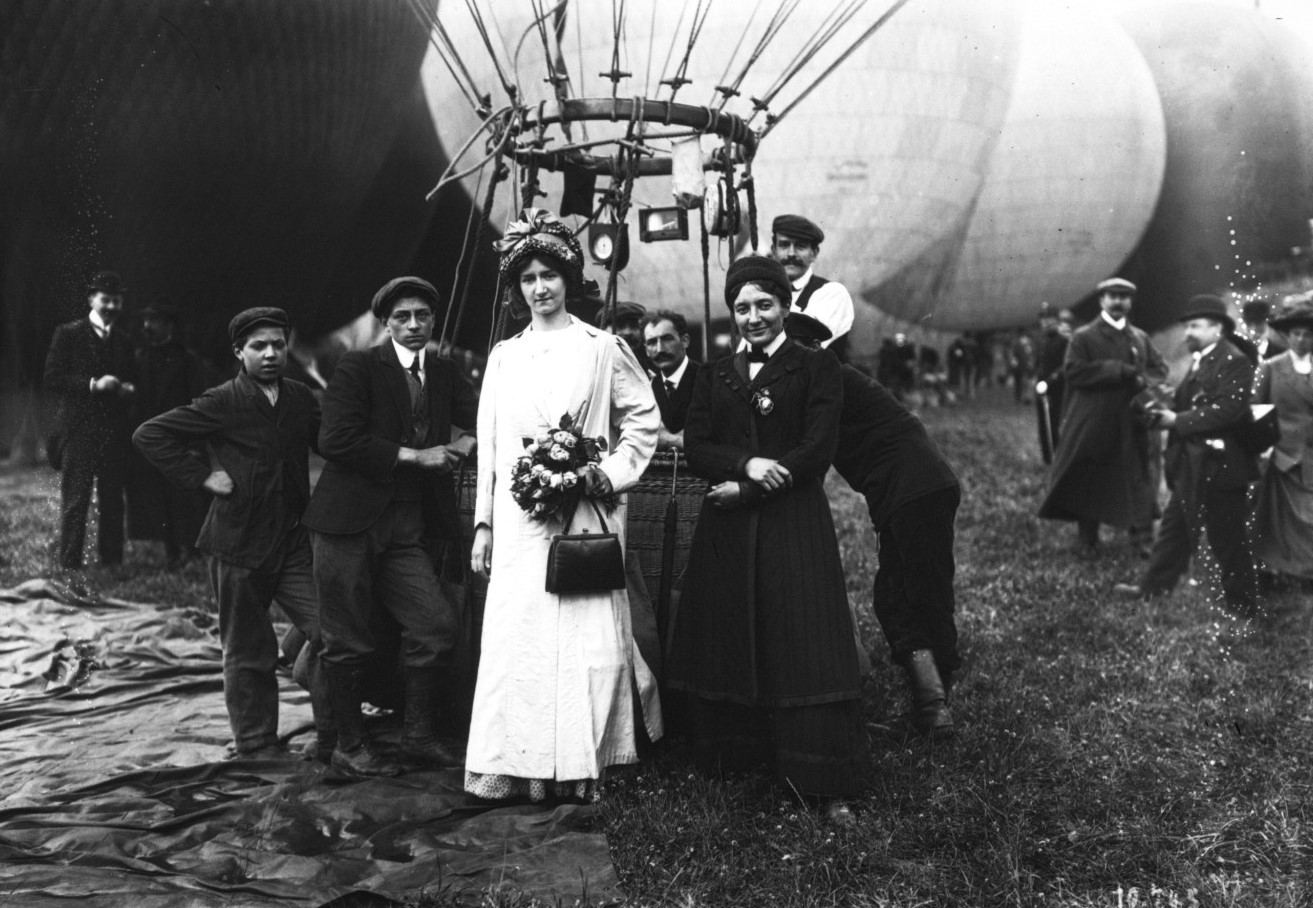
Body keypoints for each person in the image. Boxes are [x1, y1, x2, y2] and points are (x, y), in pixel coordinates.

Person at [467, 208, 661, 802]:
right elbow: (493, 449)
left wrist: (602, 475)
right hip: (523, 526)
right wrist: (484, 525)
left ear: (568, 278)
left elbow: (643, 424)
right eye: (526, 278)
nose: (539, 288)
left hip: (584, 517)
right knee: (520, 640)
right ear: (515, 288)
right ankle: (520, 767)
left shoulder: (603, 349)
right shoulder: (503, 356)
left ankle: (585, 764)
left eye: (548, 274)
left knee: (588, 640)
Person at [665, 255, 865, 824]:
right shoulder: (713, 373)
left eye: (764, 305)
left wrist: (751, 488)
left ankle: (819, 775)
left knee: (801, 637)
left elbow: (817, 448)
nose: (753, 317)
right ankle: (735, 759)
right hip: (727, 530)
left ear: (785, 307)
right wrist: (746, 463)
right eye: (742, 308)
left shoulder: (815, 367)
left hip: (790, 522)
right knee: (730, 633)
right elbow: (698, 446)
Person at [133, 307, 329, 759]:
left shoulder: (299, 397)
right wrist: (204, 476)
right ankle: (257, 743)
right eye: (258, 346)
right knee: (247, 649)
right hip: (237, 543)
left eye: (278, 344)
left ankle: (334, 735)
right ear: (239, 351)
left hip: (292, 540)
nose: (270, 354)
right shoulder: (222, 400)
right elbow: (150, 434)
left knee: (331, 630)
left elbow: (328, 443)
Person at [302, 276, 478, 777]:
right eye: (403, 317)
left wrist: (469, 442)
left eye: (423, 315)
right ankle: (348, 745)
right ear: (385, 323)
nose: (415, 325)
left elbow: (486, 415)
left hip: (407, 526)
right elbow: (334, 439)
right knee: (346, 638)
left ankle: (418, 737)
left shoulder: (443, 372)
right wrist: (411, 455)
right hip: (346, 523)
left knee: (436, 627)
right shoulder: (357, 368)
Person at [787, 312, 961, 735]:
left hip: (912, 491)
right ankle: (932, 702)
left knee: (915, 595)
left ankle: (936, 706)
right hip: (915, 490)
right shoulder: (831, 379)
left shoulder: (827, 380)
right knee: (899, 594)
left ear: (810, 351)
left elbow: (807, 447)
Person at [1113, 295, 1259, 612]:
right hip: (1192, 463)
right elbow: (1188, 403)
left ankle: (1244, 604)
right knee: (1174, 529)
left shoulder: (1234, 361)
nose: (1187, 333)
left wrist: (1176, 421)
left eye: (1195, 326)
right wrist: (1157, 408)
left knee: (1227, 537)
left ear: (1217, 328)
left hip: (1221, 465)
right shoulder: (1202, 359)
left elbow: (1229, 411)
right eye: (1187, 326)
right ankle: (1152, 588)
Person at [1039, 277, 1168, 558]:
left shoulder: (1140, 337)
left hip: (1134, 420)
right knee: (1090, 473)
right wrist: (1116, 370)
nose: (1118, 301)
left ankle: (1142, 539)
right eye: (1112, 295)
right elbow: (1073, 371)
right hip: (1096, 419)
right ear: (1102, 301)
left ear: (1130, 302)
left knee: (1139, 475)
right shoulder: (1084, 337)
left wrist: (1143, 380)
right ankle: (1087, 538)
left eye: (1124, 296)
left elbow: (1160, 368)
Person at [43, 270, 138, 570]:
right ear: (91, 299)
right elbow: (52, 379)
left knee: (113, 499)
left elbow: (134, 380)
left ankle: (111, 562)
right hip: (78, 429)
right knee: (76, 498)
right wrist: (94, 385)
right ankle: (70, 563)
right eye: (105, 299)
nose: (111, 306)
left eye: (116, 301)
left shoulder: (124, 340)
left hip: (113, 431)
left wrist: (128, 389)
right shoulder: (68, 333)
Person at [128, 299, 209, 568]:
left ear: (168, 325)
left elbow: (200, 406)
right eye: (145, 321)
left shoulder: (188, 360)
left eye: (154, 321)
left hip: (183, 442)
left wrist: (196, 444)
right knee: (158, 498)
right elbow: (136, 406)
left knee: (188, 498)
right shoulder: (139, 360)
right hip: (152, 444)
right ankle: (171, 551)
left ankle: (194, 550)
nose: (147, 326)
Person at [1251, 294, 1313, 586]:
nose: (1301, 340)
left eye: (1308, 334)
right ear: (1287, 336)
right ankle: (1282, 569)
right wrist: (1263, 446)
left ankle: (1305, 570)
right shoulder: (1271, 368)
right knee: (1282, 517)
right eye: (1296, 333)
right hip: (1284, 454)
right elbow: (1256, 409)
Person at [769, 214, 854, 359]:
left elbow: (800, 347)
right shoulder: (768, 292)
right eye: (784, 245)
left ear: (814, 253)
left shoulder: (832, 293)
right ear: (774, 250)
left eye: (800, 246)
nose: (791, 253)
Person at [643, 310, 701, 451]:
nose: (660, 349)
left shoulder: (709, 379)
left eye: (667, 339)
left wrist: (670, 440)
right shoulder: (647, 388)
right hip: (658, 472)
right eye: (652, 342)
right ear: (646, 350)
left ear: (685, 341)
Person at [1033, 303, 1071, 465]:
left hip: (1058, 388)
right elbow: (1039, 364)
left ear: (1057, 321)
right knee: (1043, 424)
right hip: (1041, 388)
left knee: (1056, 424)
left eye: (1050, 319)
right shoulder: (1041, 341)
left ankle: (1059, 459)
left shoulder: (1064, 341)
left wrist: (1051, 381)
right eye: (1043, 319)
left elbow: (1066, 366)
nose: (1046, 322)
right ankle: (1048, 458)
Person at [596, 300, 653, 373]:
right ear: (603, 329)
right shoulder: (595, 368)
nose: (628, 332)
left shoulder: (652, 368)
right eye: (620, 326)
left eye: (634, 326)